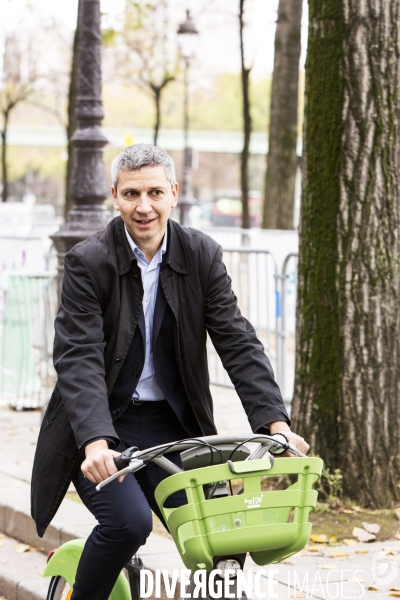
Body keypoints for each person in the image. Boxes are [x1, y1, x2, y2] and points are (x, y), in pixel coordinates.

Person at [31, 144, 308, 600]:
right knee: (129, 524)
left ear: (174, 193)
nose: (144, 207)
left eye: (155, 192)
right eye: (132, 194)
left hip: (173, 427)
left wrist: (275, 425)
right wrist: (96, 441)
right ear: (114, 197)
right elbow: (78, 357)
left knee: (223, 532)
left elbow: (237, 341)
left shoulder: (201, 255)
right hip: (103, 425)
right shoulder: (87, 262)